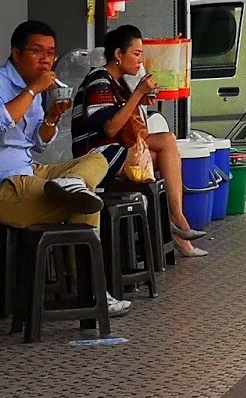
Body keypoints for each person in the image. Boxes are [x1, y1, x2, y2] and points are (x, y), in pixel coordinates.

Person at [0, 20, 131, 315]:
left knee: (99, 157)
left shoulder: (35, 93)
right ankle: (91, 291)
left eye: (51, 53)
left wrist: (52, 118)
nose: (46, 60)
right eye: (37, 51)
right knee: (85, 202)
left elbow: (38, 142)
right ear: (16, 54)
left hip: (29, 171)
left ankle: (74, 183)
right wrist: (33, 90)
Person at [72, 25, 209, 257]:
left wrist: (141, 99)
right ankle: (177, 226)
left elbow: (130, 127)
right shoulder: (99, 79)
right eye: (136, 54)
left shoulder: (118, 83)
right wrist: (137, 94)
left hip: (116, 149)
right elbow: (109, 127)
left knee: (167, 141)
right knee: (157, 155)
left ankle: (177, 220)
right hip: (97, 156)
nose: (140, 60)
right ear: (118, 54)